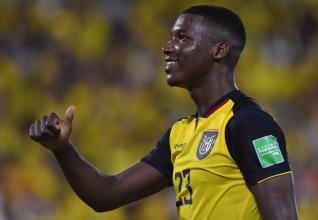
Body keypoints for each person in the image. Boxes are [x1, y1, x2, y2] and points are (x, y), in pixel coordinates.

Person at [29, 5, 298, 220]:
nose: (167, 47)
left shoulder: (248, 123)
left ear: (219, 51)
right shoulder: (179, 134)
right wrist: (61, 149)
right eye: (171, 37)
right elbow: (106, 194)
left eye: (182, 38)